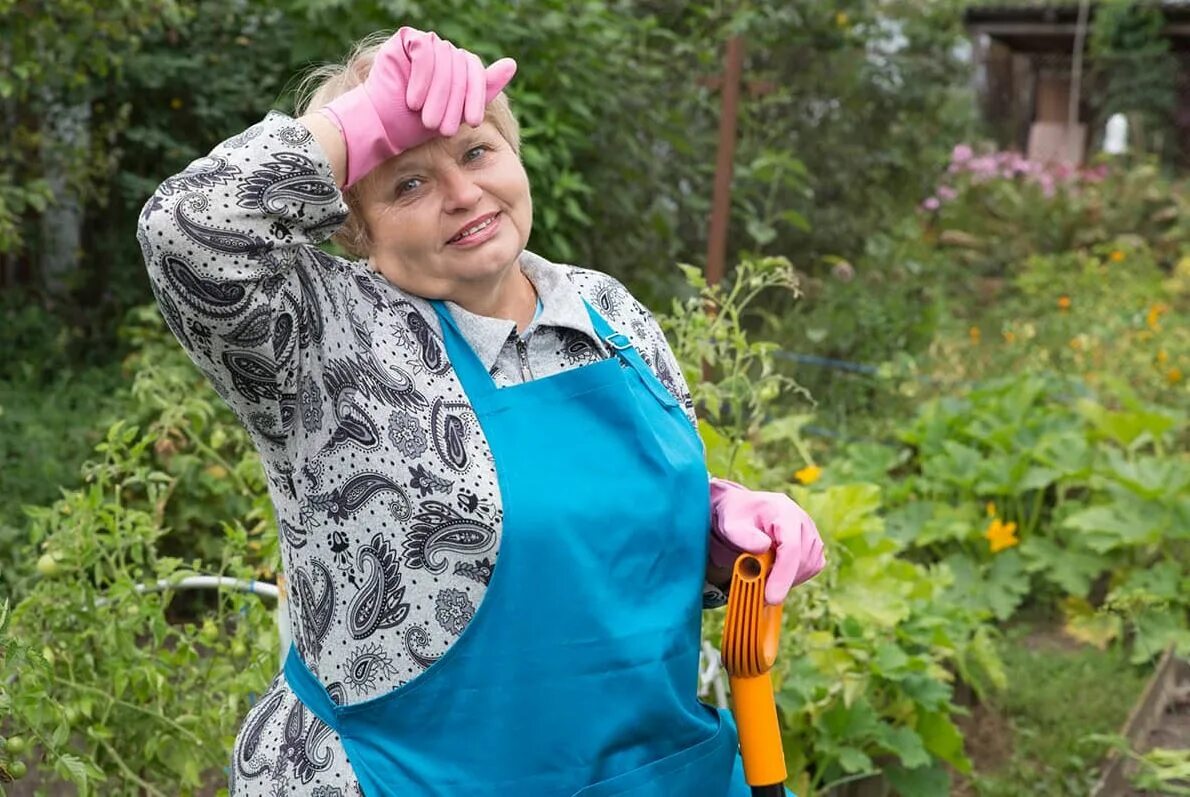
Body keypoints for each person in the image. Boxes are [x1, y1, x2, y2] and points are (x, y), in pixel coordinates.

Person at [137, 26, 825, 797]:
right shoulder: (324, 337)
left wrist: (719, 526)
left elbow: (595, 549)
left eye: (475, 152)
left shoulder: (607, 312)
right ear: (357, 229)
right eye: (408, 182)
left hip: (651, 773)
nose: (463, 194)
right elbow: (188, 230)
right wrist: (366, 120)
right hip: (401, 777)